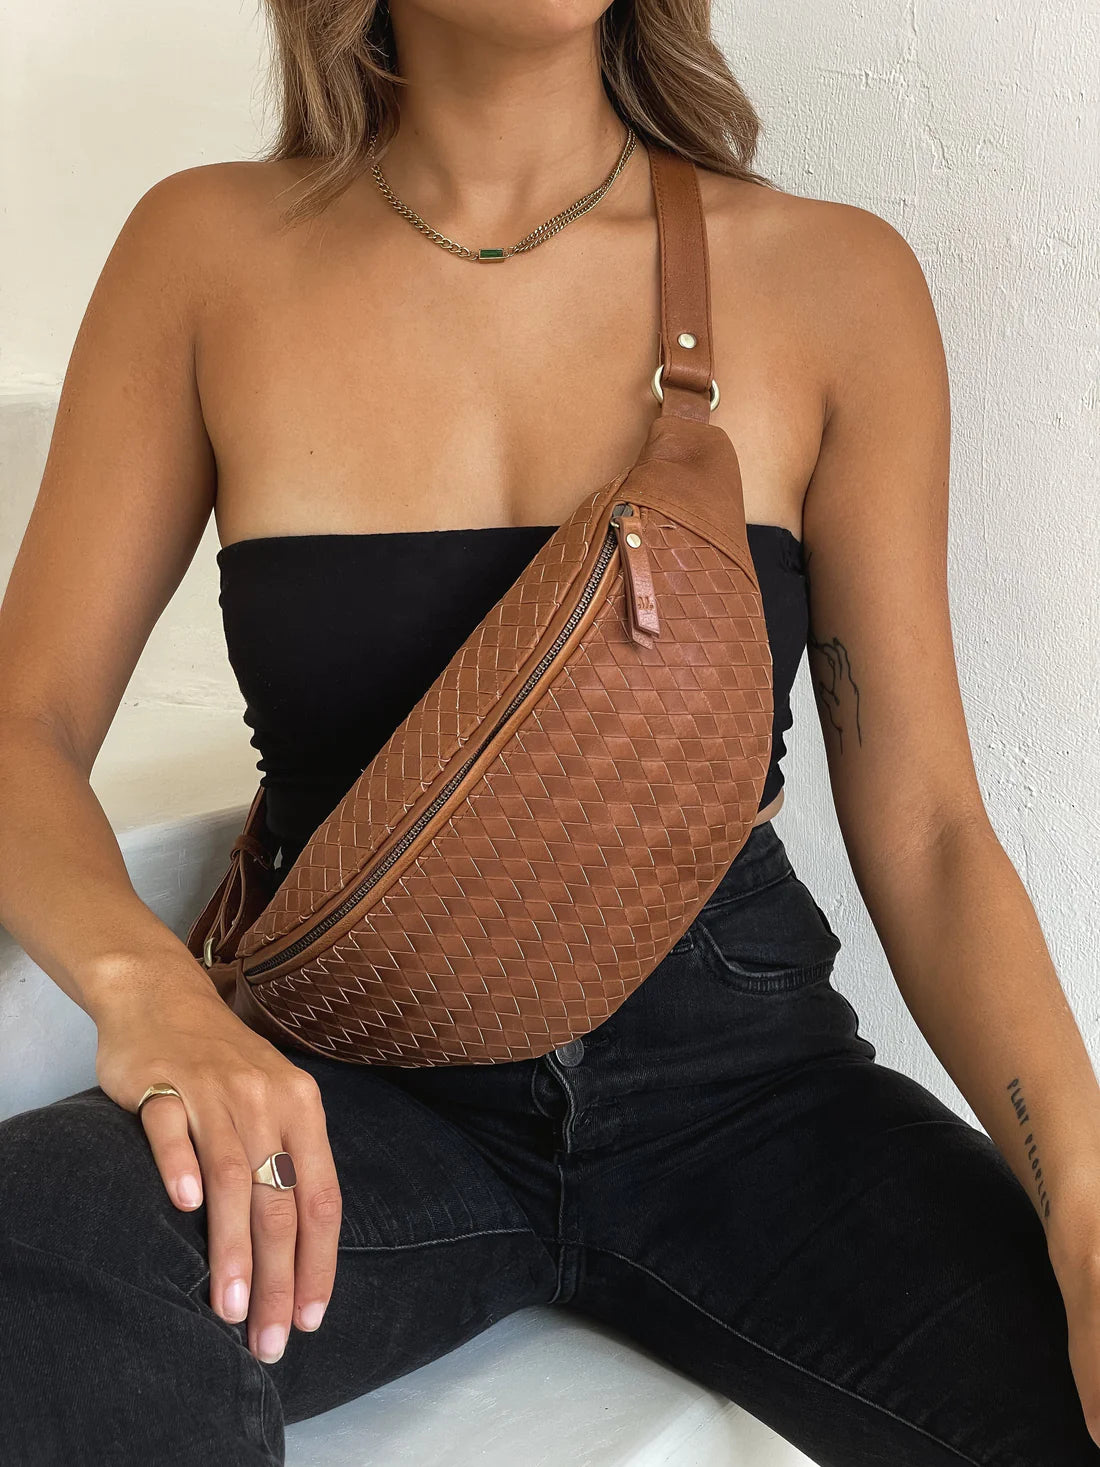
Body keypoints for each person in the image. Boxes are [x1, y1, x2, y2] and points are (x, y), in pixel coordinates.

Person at [0, 3, 1097, 1464]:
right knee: (44, 1253)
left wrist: (1086, 1196)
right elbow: (22, 726)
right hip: (358, 1084)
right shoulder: (205, 255)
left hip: (743, 1097)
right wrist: (153, 996)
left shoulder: (834, 280)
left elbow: (935, 830)